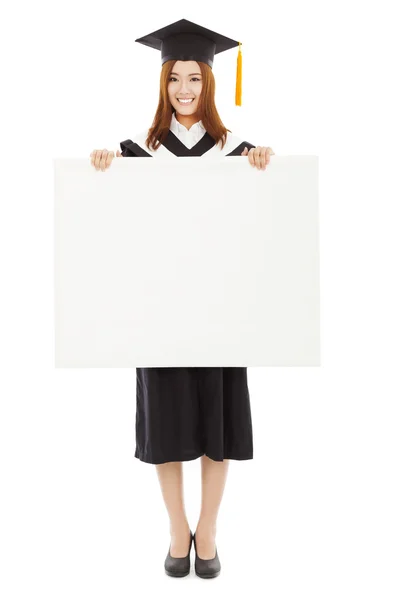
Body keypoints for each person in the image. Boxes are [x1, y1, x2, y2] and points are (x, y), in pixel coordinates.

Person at [90, 19, 274, 579]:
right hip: (159, 315)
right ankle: (177, 530)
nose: (186, 89)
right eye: (176, 78)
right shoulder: (135, 153)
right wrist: (101, 167)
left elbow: (263, 226)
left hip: (222, 313)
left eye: (195, 78)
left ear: (211, 84)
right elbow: (107, 222)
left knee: (217, 429)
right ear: (163, 84)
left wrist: (265, 167)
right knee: (167, 426)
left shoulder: (237, 153)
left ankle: (210, 531)